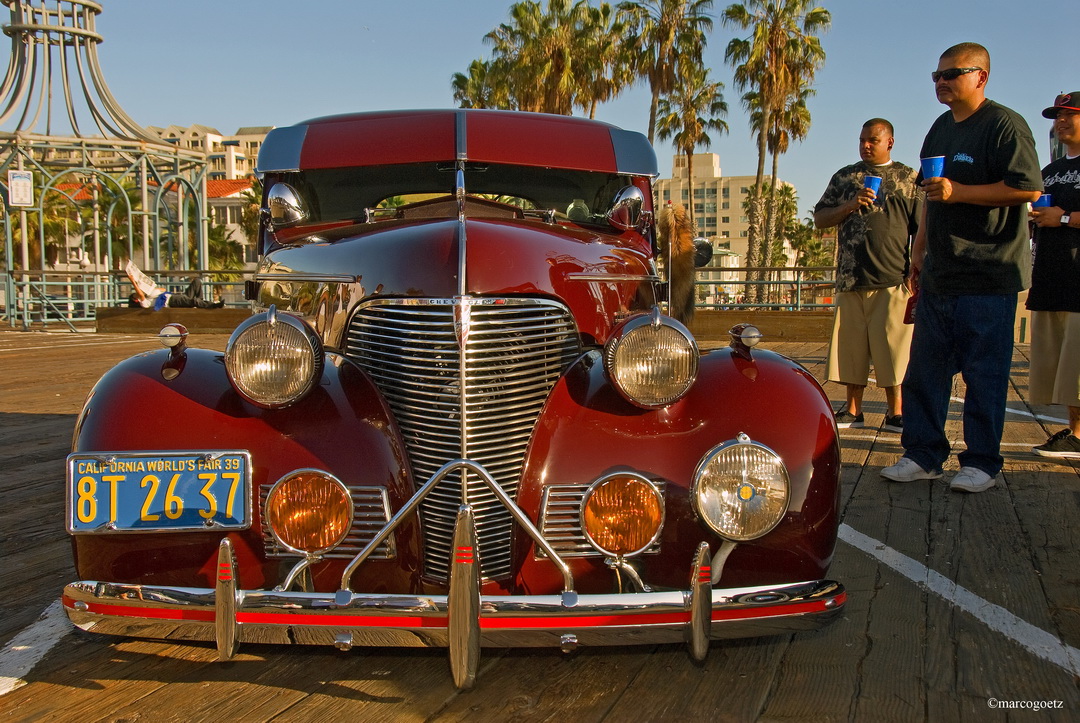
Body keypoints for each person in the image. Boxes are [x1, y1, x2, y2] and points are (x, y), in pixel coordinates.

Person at [880, 42, 1043, 493]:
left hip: (989, 274)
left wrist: (961, 192)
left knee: (984, 373)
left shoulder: (1004, 125)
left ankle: (983, 462)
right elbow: (931, 193)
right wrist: (919, 248)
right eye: (936, 76)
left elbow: (1027, 189)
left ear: (980, 77)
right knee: (924, 371)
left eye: (951, 74)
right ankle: (923, 454)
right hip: (940, 272)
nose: (941, 82)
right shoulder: (939, 129)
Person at [815, 119, 922, 433]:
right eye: (862, 140)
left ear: (889, 141)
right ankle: (852, 410)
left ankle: (896, 413)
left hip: (893, 278)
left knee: (894, 351)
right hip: (851, 278)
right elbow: (820, 218)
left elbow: (922, 227)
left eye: (872, 140)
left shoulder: (908, 179)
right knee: (852, 350)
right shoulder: (846, 177)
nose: (865, 145)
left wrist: (917, 268)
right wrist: (850, 204)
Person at [1028, 91, 1080, 459]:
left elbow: (1060, 217)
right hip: (1050, 278)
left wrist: (1063, 218)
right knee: (1061, 367)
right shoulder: (1049, 172)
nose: (1060, 122)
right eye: (1056, 116)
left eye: (1069, 115)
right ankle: (1074, 430)